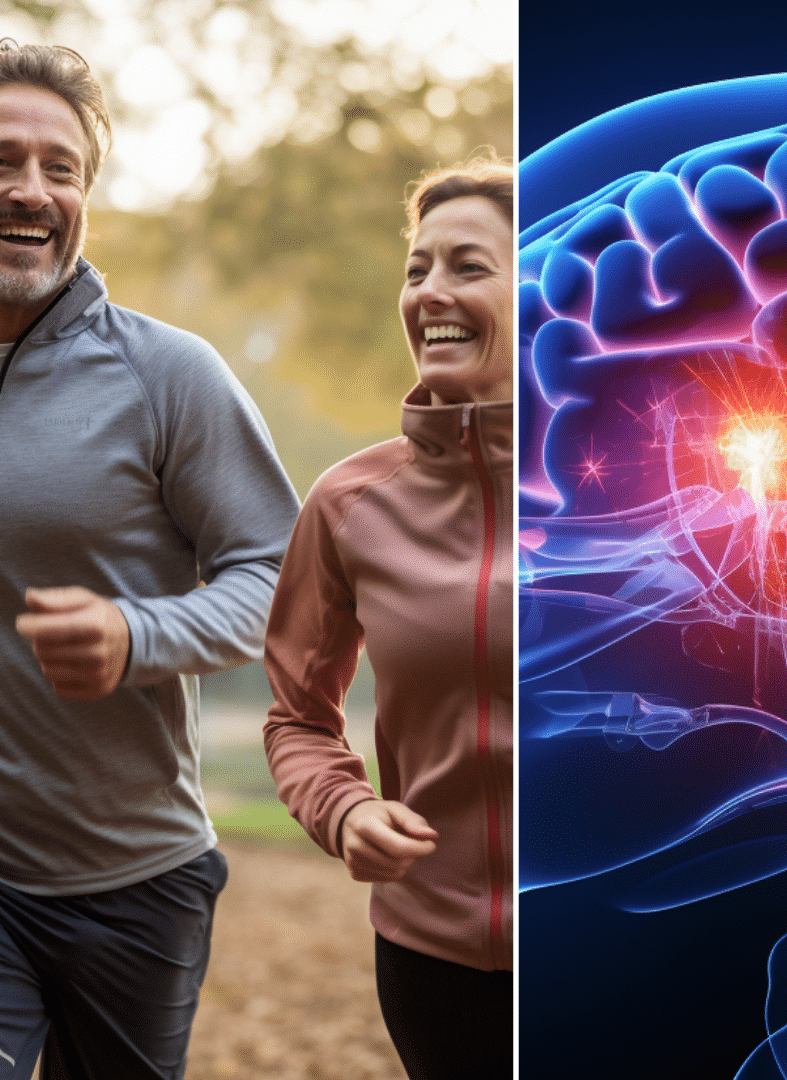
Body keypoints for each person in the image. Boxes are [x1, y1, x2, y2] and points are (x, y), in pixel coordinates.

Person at [0, 40, 300, 1080]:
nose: (34, 191)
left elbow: (283, 580)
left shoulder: (169, 377)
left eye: (62, 170)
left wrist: (138, 633)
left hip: (137, 874)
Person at [261, 157, 513, 1079]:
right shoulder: (348, 503)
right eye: (417, 270)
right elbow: (297, 716)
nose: (432, 292)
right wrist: (345, 809)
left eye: (468, 266)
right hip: (431, 959)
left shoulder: (644, 491)